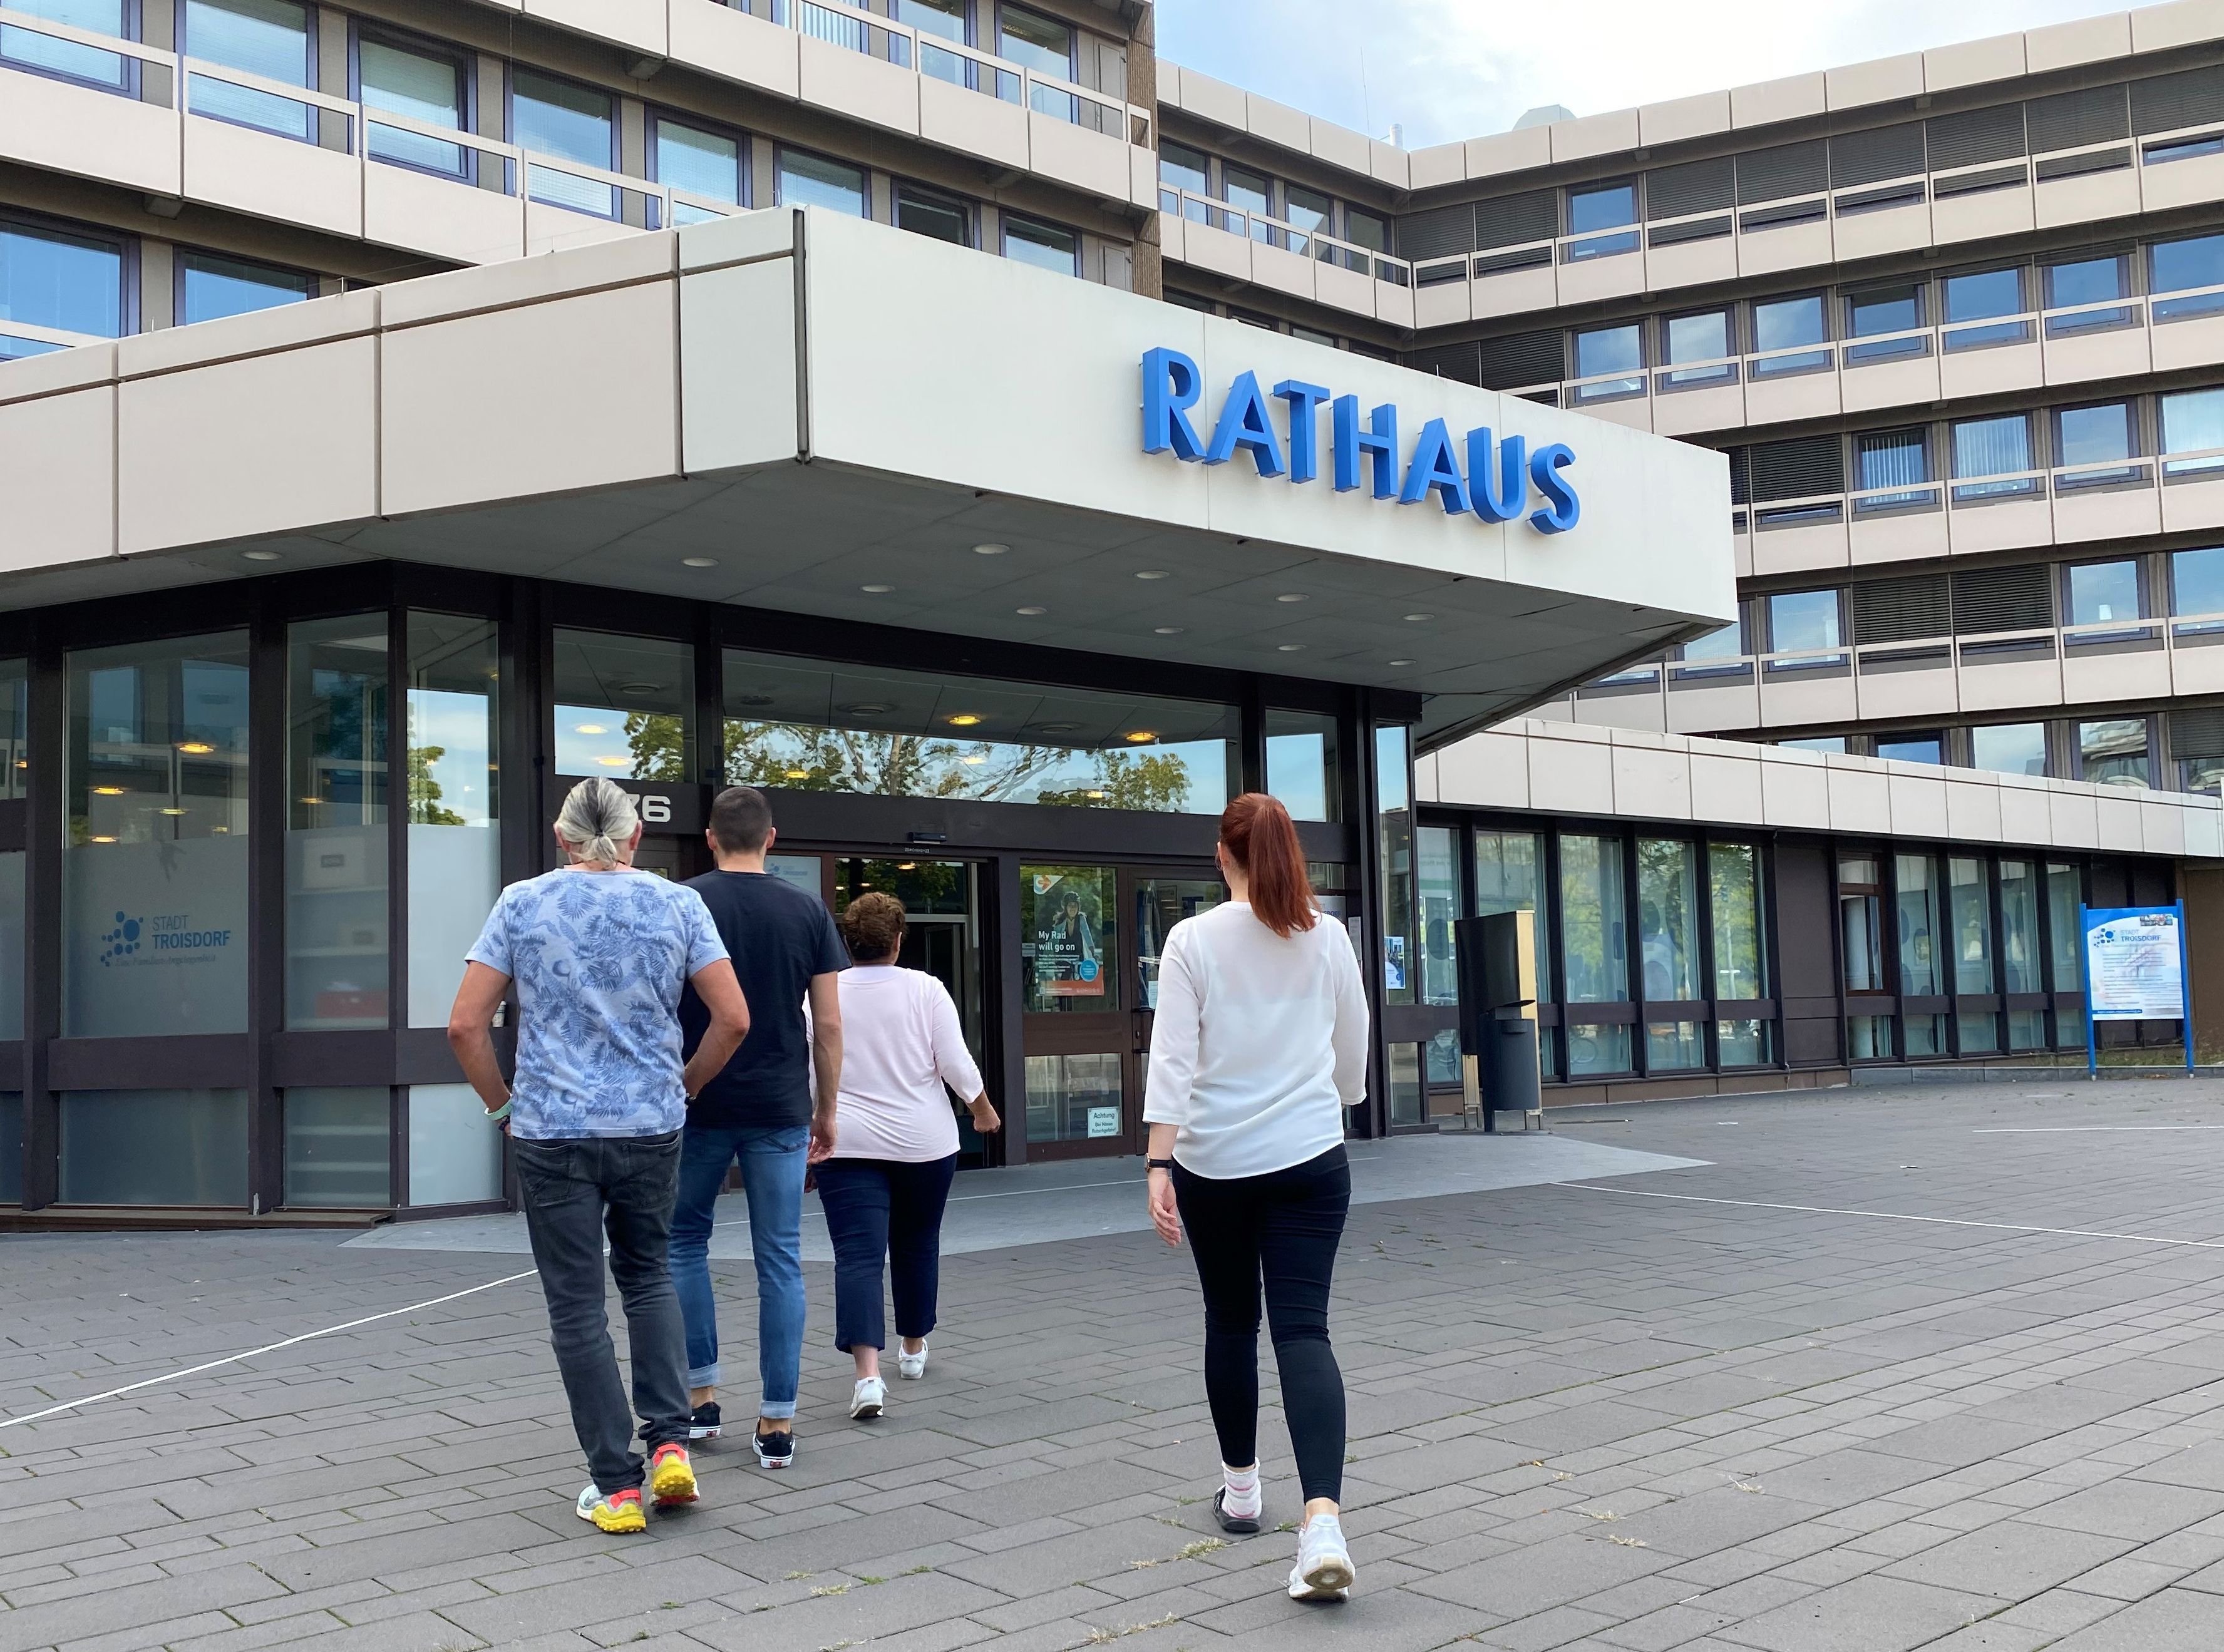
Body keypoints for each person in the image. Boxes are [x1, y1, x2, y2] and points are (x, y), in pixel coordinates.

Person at [448, 777, 749, 1534]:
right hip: (650, 1123)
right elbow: (734, 1017)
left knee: (576, 1305)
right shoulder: (679, 903)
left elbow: (463, 1026)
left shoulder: (521, 901)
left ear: (561, 837)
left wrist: (504, 1107)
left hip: (553, 1129)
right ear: (638, 834)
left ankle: (616, 1487)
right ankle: (672, 1444)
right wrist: (684, 1085)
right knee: (649, 1278)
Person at [1141, 792, 1371, 1603]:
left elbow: (1172, 1057)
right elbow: (1353, 1044)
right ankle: (1322, 1523)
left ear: (1223, 853)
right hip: (1312, 1156)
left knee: (1232, 1319)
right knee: (1304, 1328)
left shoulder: (1191, 939)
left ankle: (1241, 1490)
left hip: (1216, 1162)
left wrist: (1157, 1161)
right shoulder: (1328, 934)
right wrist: (1333, 1095)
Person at [671, 786, 848, 1470]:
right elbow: (828, 1024)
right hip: (779, 1105)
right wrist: (826, 1108)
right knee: (780, 1257)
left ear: (710, 838)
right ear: (772, 839)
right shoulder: (806, 909)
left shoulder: (684, 901)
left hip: (697, 1100)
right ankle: (777, 1423)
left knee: (684, 1241)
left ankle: (701, 1397)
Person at [812, 892, 1000, 1422]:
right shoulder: (926, 989)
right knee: (917, 1242)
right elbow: (956, 1064)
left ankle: (867, 1376)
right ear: (898, 941)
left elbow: (810, 1068)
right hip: (924, 1143)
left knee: (857, 1256)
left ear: (848, 943)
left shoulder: (822, 994)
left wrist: (813, 1131)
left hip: (845, 1143)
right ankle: (913, 1346)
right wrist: (982, 1111)